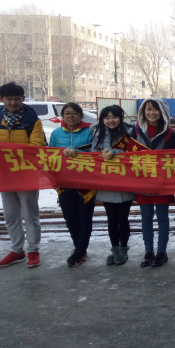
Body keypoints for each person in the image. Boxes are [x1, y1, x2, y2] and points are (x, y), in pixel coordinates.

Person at [0, 82, 44, 269]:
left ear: (23, 99)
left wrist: (8, 152)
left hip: (27, 174)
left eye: (17, 99)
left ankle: (33, 251)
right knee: (10, 215)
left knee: (30, 215)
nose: (13, 102)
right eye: (9, 99)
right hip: (5, 175)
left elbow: (36, 147)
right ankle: (17, 251)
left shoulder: (33, 121)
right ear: (2, 99)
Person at [49, 102, 96, 267]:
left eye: (74, 113)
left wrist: (78, 153)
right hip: (64, 183)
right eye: (67, 113)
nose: (70, 116)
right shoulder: (56, 133)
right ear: (62, 116)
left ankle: (80, 251)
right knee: (70, 219)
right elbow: (50, 155)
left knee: (84, 218)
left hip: (85, 183)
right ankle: (79, 249)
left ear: (81, 115)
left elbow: (95, 153)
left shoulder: (90, 132)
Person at [132, 98, 175, 268]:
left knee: (162, 218)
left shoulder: (170, 133)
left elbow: (172, 158)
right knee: (146, 218)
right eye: (148, 109)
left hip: (162, 183)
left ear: (163, 112)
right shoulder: (136, 130)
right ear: (143, 112)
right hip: (142, 183)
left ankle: (161, 252)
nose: (152, 113)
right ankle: (148, 251)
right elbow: (127, 154)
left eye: (155, 109)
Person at [91, 105, 135, 266]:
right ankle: (114, 250)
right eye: (107, 117)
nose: (111, 120)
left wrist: (115, 153)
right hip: (106, 182)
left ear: (120, 118)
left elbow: (134, 153)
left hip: (125, 182)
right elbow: (93, 154)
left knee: (123, 218)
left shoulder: (130, 132)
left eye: (114, 117)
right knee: (111, 219)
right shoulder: (97, 132)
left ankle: (123, 250)